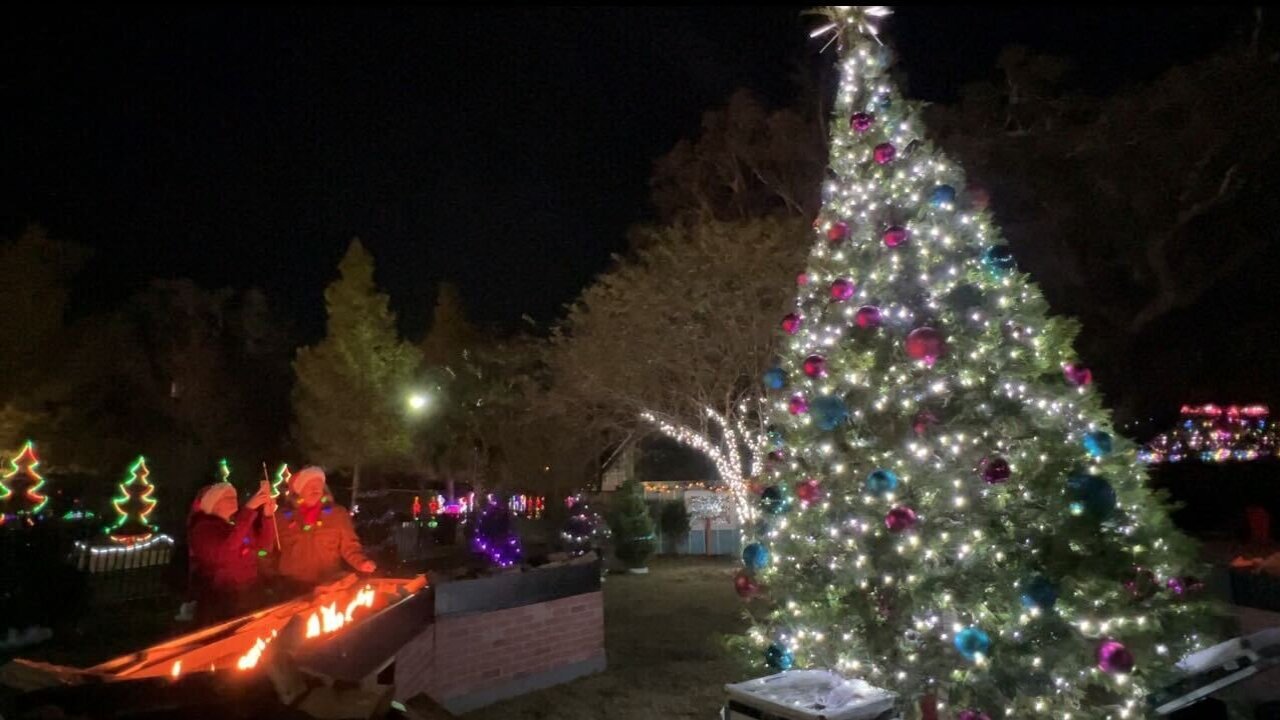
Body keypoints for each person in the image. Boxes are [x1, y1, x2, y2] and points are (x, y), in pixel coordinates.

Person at [187, 481, 275, 624]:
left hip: (249, 593)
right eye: (228, 498)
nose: (234, 500)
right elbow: (225, 553)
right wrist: (248, 511)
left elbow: (264, 547)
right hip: (222, 600)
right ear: (214, 503)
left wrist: (267, 516)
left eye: (235, 497)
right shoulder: (203, 529)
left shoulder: (237, 524)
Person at [276, 466, 375, 587]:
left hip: (328, 584)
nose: (316, 489)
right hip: (292, 586)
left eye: (319, 485)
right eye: (310, 485)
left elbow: (350, 546)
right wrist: (271, 577)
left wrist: (361, 562)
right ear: (299, 490)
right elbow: (268, 551)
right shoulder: (282, 517)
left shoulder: (337, 514)